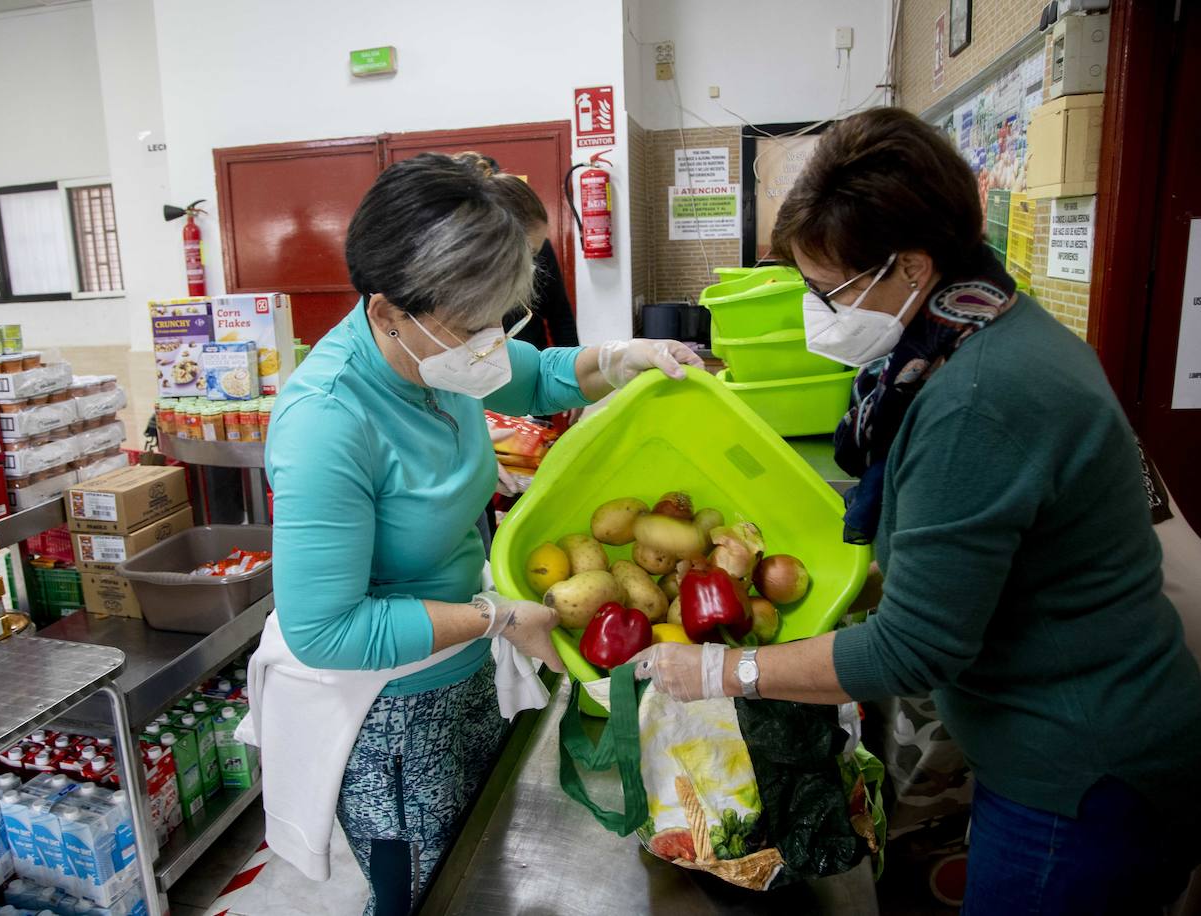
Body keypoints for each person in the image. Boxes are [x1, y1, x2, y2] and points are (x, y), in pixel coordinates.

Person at [630, 107, 1201, 916]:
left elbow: (913, 650)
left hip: (1080, 770)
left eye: (829, 291)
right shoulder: (984, 323)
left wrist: (727, 670)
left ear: (911, 266)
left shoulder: (975, 399)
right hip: (1082, 733)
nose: (815, 315)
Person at [249, 152, 701, 915]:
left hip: (464, 661)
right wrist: (496, 617)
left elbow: (538, 374)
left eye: (501, 318)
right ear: (388, 309)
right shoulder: (328, 421)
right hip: (385, 711)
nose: (490, 341)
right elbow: (325, 628)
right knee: (422, 891)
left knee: (478, 849)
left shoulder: (443, 352)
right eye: (472, 325)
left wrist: (627, 357)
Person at [452, 152, 579, 350]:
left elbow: (560, 316)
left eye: (534, 253)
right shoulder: (453, 274)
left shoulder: (541, 251)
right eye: (528, 250)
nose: (529, 262)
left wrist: (573, 368)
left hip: (527, 360)